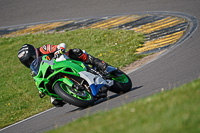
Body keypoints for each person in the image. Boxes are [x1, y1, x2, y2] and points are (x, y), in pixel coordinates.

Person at [18, 43, 108, 107]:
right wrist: (40, 91)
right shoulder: (34, 69)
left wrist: (59, 50)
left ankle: (97, 62)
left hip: (63, 61)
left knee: (75, 52)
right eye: (27, 62)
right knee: (55, 102)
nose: (30, 62)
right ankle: (79, 94)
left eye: (30, 59)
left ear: (34, 53)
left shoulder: (43, 49)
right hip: (53, 76)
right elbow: (37, 81)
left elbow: (61, 45)